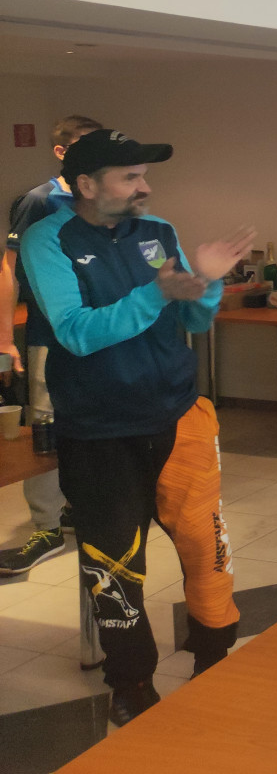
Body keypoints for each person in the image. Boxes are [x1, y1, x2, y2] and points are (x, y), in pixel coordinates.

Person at [20, 129, 253, 725]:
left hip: (179, 415)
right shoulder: (48, 240)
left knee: (206, 547)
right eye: (130, 177)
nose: (145, 187)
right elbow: (75, 332)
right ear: (87, 184)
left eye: (144, 174)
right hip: (98, 431)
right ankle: (131, 683)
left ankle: (213, 656)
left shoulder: (158, 231)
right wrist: (157, 293)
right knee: (116, 565)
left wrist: (207, 282)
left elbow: (192, 319)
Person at [0, 115, 102, 576]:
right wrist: (5, 338)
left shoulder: (101, 197)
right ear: (61, 152)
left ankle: (79, 507)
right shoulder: (39, 201)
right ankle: (46, 526)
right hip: (48, 332)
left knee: (90, 419)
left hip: (97, 332)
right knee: (46, 423)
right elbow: (9, 269)